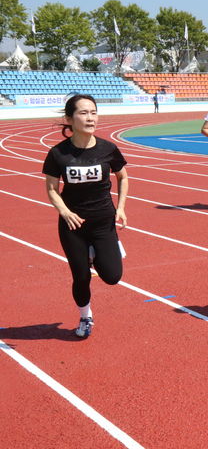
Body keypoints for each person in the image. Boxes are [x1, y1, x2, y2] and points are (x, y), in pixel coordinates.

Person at [42, 94, 129, 339]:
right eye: (83, 113)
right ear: (69, 119)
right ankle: (85, 316)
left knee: (113, 277)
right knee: (81, 277)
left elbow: (123, 177)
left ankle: (95, 253)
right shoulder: (58, 153)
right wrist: (65, 212)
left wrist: (120, 207)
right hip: (74, 226)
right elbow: (51, 188)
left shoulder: (108, 148)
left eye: (93, 112)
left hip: (103, 222)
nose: (90, 117)